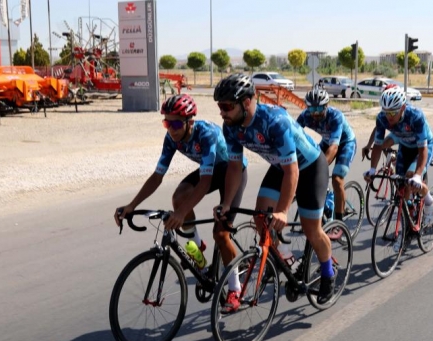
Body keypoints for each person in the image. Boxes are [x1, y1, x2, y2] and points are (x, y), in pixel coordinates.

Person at [213, 73, 337, 307]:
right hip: (280, 166)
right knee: (261, 219)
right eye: (220, 106)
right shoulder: (230, 127)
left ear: (246, 102)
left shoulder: (274, 121)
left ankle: (328, 274)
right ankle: (282, 259)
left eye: (227, 106)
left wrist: (282, 211)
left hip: (308, 167)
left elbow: (294, 171)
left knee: (312, 230)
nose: (222, 112)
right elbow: (234, 167)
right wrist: (227, 203)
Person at [114, 94, 248, 310]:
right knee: (179, 197)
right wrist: (132, 205)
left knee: (221, 234)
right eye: (167, 123)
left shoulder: (207, 134)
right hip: (211, 171)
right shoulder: (171, 138)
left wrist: (181, 213)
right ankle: (198, 250)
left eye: (176, 123)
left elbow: (204, 183)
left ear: (190, 122)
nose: (171, 128)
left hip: (232, 172)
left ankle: (235, 289)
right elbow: (157, 176)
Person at [364, 87, 433, 249]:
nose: (388, 116)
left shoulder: (415, 116)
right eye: (386, 112)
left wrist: (418, 174)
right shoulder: (382, 118)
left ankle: (430, 201)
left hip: (423, 147)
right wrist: (372, 170)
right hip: (405, 145)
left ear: (403, 108)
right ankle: (407, 228)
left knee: (411, 176)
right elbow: (377, 146)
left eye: (393, 113)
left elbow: (423, 150)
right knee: (402, 187)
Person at [297, 87, 357, 221]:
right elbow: (293, 136)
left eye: (319, 109)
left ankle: (339, 221)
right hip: (326, 141)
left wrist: (318, 167)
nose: (315, 113)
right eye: (312, 109)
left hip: (345, 143)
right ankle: (328, 195)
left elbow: (334, 148)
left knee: (336, 178)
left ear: (327, 106)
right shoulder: (305, 116)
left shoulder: (335, 116)